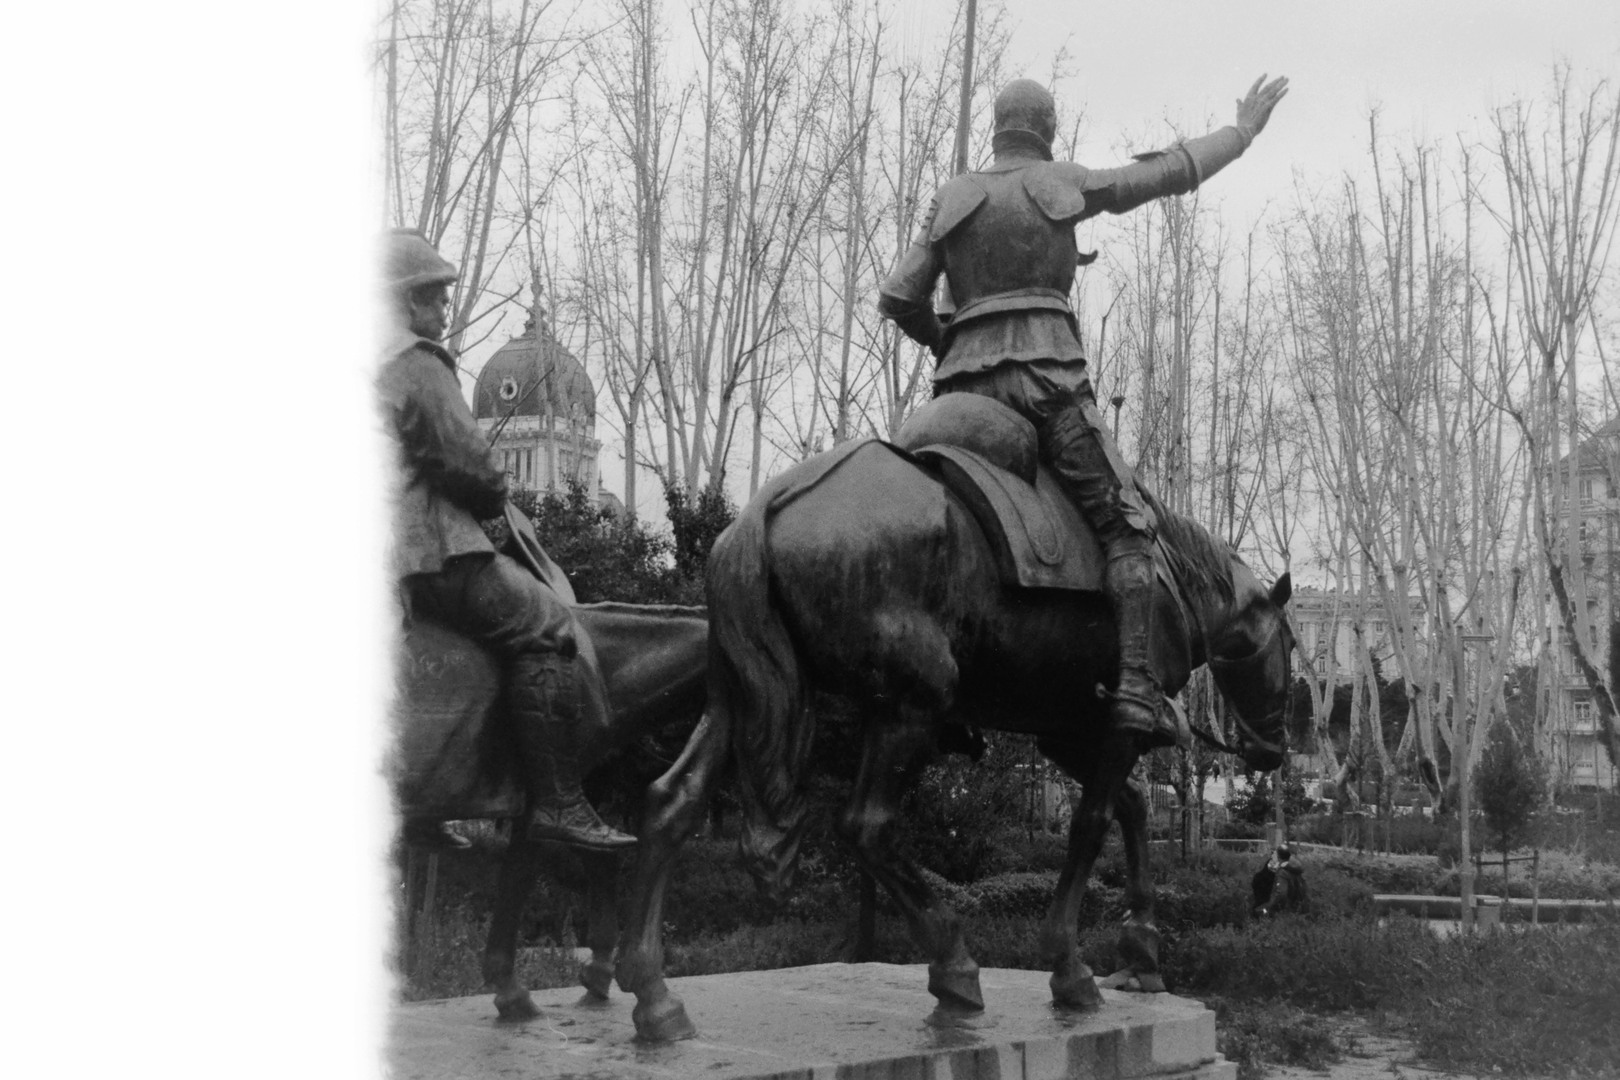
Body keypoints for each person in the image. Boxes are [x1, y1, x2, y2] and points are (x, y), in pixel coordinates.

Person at [878, 75, 1288, 750]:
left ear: (995, 128)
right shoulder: (1059, 181)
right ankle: (1134, 686)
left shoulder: (955, 196)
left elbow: (898, 297)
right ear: (1048, 130)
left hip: (958, 399)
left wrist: (946, 337)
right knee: (1128, 523)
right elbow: (1164, 173)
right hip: (1048, 385)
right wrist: (1240, 134)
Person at [379, 227, 636, 852]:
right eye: (434, 295)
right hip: (423, 545)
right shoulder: (414, 362)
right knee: (546, 624)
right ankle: (557, 804)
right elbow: (477, 469)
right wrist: (492, 496)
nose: (443, 308)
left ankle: (420, 809)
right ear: (404, 301)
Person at [1251, 844, 1307, 916]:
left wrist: (1267, 909)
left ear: (1278, 857)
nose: (1272, 854)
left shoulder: (1282, 873)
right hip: (1298, 907)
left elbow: (1281, 895)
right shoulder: (1292, 868)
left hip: (1284, 911)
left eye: (1274, 853)